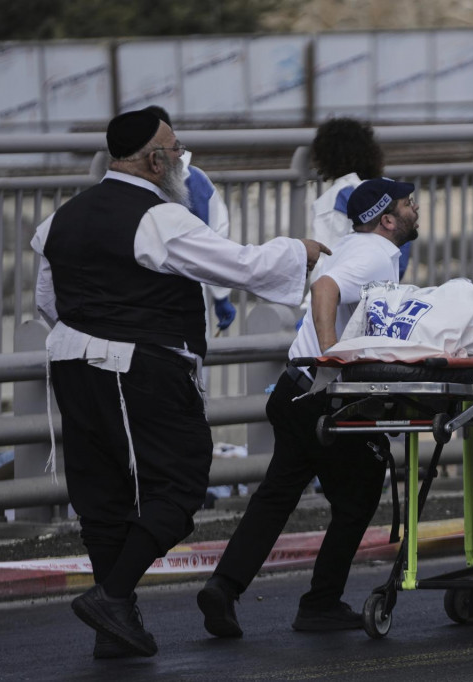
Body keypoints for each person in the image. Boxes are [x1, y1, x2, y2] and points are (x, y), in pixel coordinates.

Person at [30, 109, 329, 659]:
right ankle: (113, 597)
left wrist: (91, 337)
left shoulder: (58, 221)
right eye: (173, 145)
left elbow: (48, 303)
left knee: (103, 496)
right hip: (142, 369)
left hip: (71, 367)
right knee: (180, 485)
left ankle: (112, 626)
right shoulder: (161, 218)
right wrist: (299, 252)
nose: (180, 153)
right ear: (154, 159)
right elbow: (237, 266)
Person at [196, 177, 420, 637]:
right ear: (388, 219)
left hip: (293, 390)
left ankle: (224, 586)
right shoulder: (376, 253)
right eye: (407, 204)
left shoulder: (356, 246)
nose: (416, 208)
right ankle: (319, 603)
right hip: (322, 393)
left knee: (277, 495)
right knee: (358, 495)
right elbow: (325, 290)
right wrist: (332, 356)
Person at [143, 105, 237, 335]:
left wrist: (221, 295)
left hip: (140, 303)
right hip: (188, 299)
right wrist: (220, 295)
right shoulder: (196, 181)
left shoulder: (122, 186)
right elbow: (217, 240)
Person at [309, 116, 412, 282]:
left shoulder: (337, 197)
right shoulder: (393, 191)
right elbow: (400, 259)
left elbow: (323, 262)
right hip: (386, 293)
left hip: (344, 297)